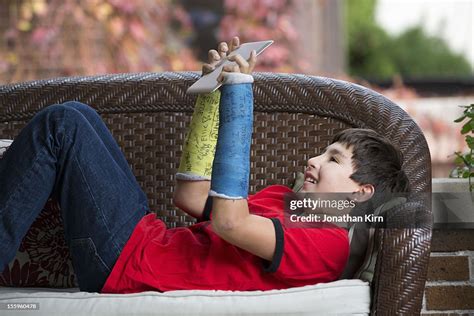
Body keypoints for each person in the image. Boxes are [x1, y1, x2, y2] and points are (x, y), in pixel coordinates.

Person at [0, 37, 410, 293]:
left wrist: (239, 94)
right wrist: (212, 98)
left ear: (361, 193)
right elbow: (190, 196)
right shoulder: (282, 199)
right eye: (323, 151)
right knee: (79, 115)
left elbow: (230, 223)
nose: (313, 159)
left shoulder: (328, 246)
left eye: (333, 159)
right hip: (143, 241)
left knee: (63, 124)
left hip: (127, 268)